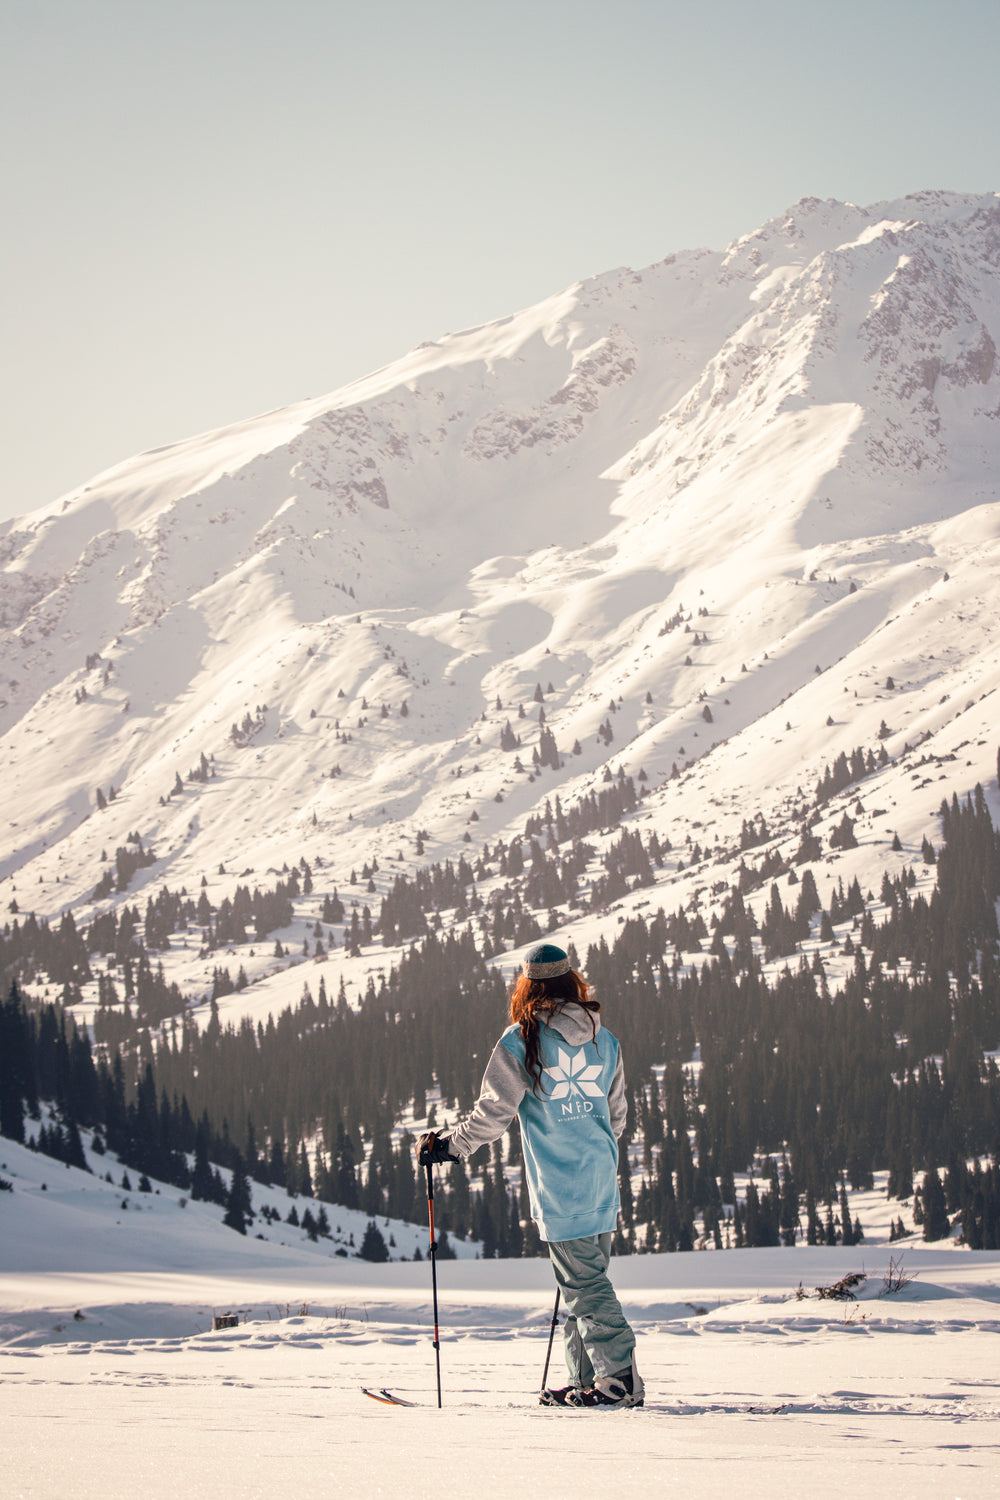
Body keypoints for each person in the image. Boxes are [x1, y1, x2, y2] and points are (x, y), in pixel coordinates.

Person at [418, 941, 643, 1409]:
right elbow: (616, 1116)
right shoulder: (606, 1039)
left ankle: (618, 1380)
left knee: (584, 1287)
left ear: (527, 985)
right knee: (580, 1283)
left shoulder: (522, 1040)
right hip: (601, 1179)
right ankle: (589, 1384)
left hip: (561, 1187)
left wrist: (450, 1147)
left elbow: (494, 1112)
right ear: (570, 982)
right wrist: (594, 1148)